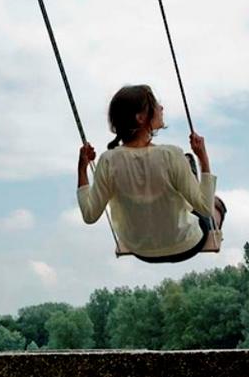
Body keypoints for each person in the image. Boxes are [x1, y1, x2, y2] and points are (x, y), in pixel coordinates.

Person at [77, 84, 226, 262]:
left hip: (142, 251)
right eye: (155, 105)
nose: (161, 108)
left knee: (184, 178)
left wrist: (82, 168)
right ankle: (206, 194)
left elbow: (89, 215)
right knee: (213, 206)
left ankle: (191, 182)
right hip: (186, 245)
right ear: (140, 118)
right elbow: (205, 208)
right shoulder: (171, 155)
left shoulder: (108, 161)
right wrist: (203, 157)